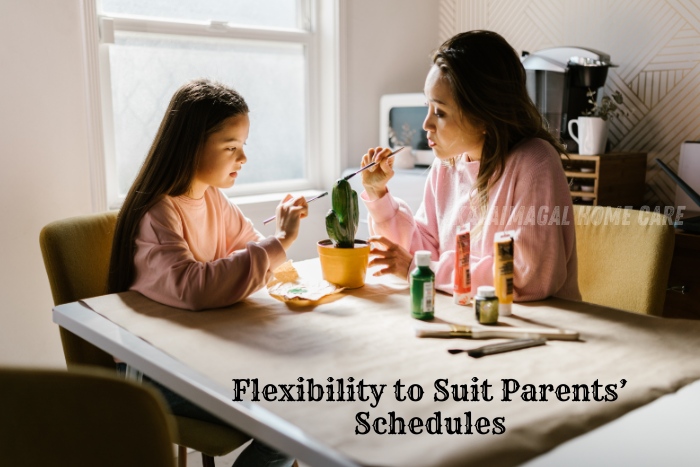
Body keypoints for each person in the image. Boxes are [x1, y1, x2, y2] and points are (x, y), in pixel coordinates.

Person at [109, 78, 304, 466]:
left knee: (300, 399)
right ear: (190, 146)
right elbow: (194, 287)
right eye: (231, 147)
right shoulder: (158, 213)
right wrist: (279, 243)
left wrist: (286, 270)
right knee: (290, 422)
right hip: (157, 374)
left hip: (202, 356)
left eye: (244, 146)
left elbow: (251, 252)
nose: (243, 159)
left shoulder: (214, 199)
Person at [360, 30, 581, 302]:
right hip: (469, 319)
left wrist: (423, 270)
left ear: (484, 115)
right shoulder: (446, 166)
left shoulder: (535, 162)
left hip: (540, 330)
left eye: (440, 112)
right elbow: (422, 251)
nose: (425, 124)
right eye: (427, 107)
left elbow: (527, 277)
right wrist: (380, 196)